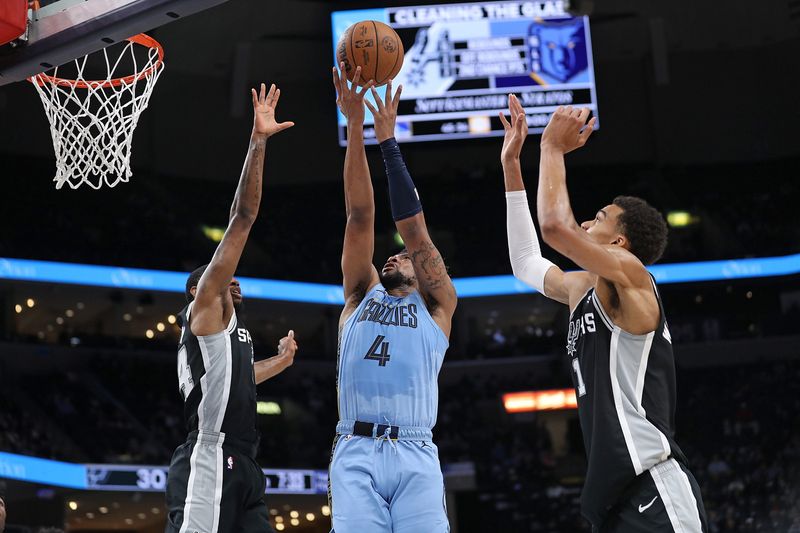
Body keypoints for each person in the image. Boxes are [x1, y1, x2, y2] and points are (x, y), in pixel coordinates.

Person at [500, 96, 708, 532]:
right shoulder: (581, 290)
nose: (588, 224)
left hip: (653, 483)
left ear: (619, 244)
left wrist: (552, 150)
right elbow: (524, 261)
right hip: (611, 496)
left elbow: (557, 228)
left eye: (599, 218)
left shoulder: (634, 280)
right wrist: (511, 166)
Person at [327, 64, 457, 533]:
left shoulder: (437, 307)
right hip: (355, 450)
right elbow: (359, 215)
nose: (394, 257)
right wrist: (355, 127)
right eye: (392, 256)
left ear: (423, 272)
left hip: (416, 450)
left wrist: (389, 143)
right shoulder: (361, 294)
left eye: (403, 257)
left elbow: (414, 230)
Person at [164, 83, 298, 533]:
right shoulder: (205, 308)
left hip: (243, 460)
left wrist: (279, 362)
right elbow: (243, 216)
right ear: (200, 289)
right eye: (221, 276)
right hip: (210, 454)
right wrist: (258, 142)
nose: (232, 278)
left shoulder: (222, 334)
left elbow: (236, 377)